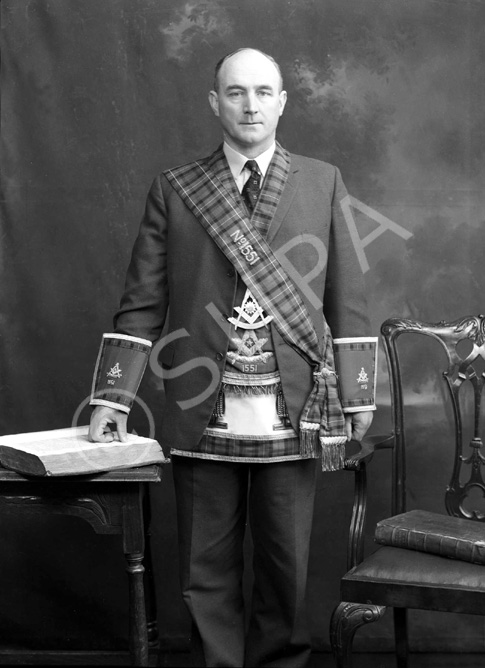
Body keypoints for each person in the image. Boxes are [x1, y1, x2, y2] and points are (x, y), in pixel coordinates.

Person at [88, 48, 377, 668]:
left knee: (285, 567)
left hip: (297, 407)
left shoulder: (323, 181)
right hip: (202, 409)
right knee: (204, 569)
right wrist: (113, 397)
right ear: (214, 102)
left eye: (263, 91)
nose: (250, 104)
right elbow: (141, 303)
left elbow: (348, 296)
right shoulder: (176, 188)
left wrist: (357, 396)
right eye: (236, 92)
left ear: (282, 102)